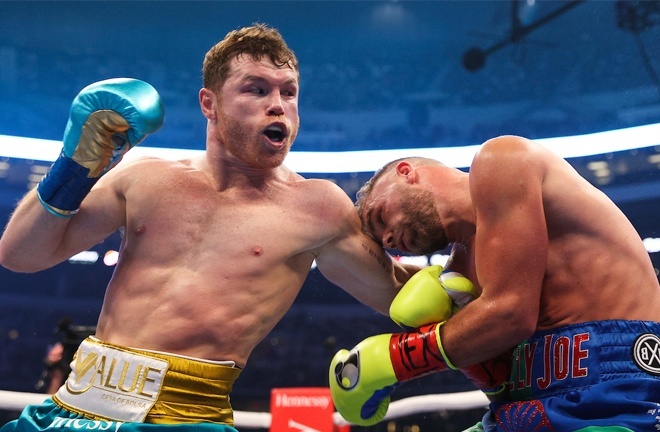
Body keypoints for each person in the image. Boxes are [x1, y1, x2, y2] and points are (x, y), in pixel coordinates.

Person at [0, 23, 418, 431]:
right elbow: (21, 254)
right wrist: (75, 165)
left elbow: (402, 298)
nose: (278, 104)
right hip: (74, 405)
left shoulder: (319, 207)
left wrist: (467, 250)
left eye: (288, 92)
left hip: (188, 416)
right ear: (209, 103)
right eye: (256, 89)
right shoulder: (144, 177)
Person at [328, 135, 660, 431]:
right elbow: (502, 379)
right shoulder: (460, 269)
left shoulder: (500, 161)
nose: (388, 236)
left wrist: (394, 359)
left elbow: (512, 314)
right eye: (383, 240)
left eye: (381, 216)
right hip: (527, 408)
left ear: (406, 172)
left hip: (619, 395)